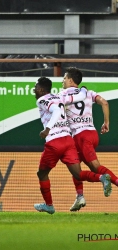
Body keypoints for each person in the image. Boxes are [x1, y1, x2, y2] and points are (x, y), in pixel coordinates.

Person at [33, 76, 112, 214]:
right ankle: (101, 177)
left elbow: (56, 111)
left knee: (42, 174)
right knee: (78, 174)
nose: (34, 90)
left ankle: (49, 205)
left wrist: (47, 129)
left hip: (54, 141)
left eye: (35, 88)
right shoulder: (59, 98)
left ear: (40, 89)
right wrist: (83, 90)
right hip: (68, 140)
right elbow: (80, 97)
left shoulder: (42, 100)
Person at [60, 67, 118, 212]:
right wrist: (106, 123)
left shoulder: (63, 95)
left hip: (81, 136)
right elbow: (105, 103)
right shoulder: (88, 93)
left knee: (96, 168)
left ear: (71, 80)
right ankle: (80, 197)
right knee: (75, 166)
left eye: (65, 78)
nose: (63, 81)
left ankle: (110, 181)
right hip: (92, 134)